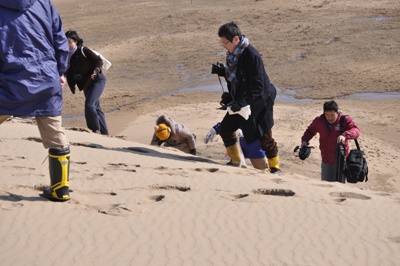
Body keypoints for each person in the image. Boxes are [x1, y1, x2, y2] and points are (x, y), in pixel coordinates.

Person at [0, 0, 71, 201]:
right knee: (55, 133)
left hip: (10, 82)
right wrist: (60, 71)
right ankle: (60, 189)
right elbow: (60, 42)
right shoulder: (44, 4)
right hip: (46, 80)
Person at [211, 21, 281, 173]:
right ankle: (236, 161)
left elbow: (257, 86)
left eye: (225, 42)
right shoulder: (232, 55)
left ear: (236, 39)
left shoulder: (251, 55)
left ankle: (275, 168)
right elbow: (237, 77)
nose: (224, 46)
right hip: (241, 102)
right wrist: (222, 72)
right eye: (222, 43)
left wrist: (241, 102)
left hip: (259, 102)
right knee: (226, 129)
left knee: (264, 136)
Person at [300, 100, 361, 182]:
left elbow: (356, 130)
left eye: (332, 115)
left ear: (337, 112)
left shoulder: (344, 120)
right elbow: (310, 131)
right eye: (327, 115)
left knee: (340, 188)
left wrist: (344, 135)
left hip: (341, 161)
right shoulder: (319, 121)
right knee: (325, 186)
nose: (330, 118)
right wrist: (305, 140)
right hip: (326, 161)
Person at [65, 30, 109, 135]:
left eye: (70, 42)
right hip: (85, 84)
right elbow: (67, 71)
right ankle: (105, 133)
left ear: (75, 41)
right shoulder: (66, 57)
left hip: (97, 80)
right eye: (65, 42)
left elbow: (98, 61)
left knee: (89, 105)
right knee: (96, 107)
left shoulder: (83, 50)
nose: (68, 45)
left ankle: (95, 130)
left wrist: (96, 70)